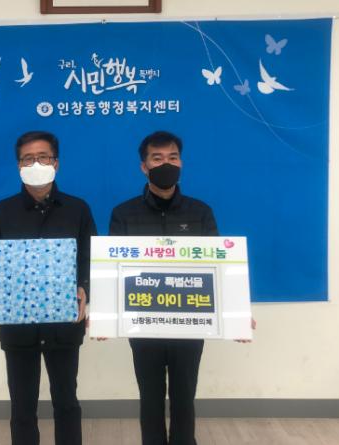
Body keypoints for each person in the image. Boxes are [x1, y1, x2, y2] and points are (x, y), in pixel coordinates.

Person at [0, 130, 97, 445]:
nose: (35, 164)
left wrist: (84, 286)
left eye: (43, 157)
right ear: (18, 165)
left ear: (56, 162)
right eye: (28, 159)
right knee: (22, 406)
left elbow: (89, 257)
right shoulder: (2, 211)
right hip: (17, 325)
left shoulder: (78, 209)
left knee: (66, 401)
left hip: (63, 322)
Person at [109, 130, 217, 445]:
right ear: (144, 167)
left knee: (184, 398)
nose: (166, 164)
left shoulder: (201, 212)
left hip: (189, 324)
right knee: (150, 398)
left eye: (173, 157)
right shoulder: (123, 214)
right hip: (144, 325)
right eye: (157, 158)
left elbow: (219, 269)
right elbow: (112, 270)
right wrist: (105, 317)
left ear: (181, 163)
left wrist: (235, 313)